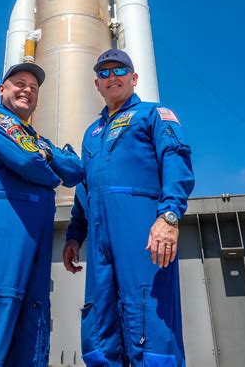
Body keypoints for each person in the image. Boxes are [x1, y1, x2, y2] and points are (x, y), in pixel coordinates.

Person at [62, 49, 195, 367]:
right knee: (100, 322)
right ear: (96, 84)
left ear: (134, 78)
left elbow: (176, 162)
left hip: (141, 234)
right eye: (104, 73)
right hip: (98, 244)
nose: (112, 77)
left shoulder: (153, 115)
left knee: (147, 315)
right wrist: (73, 236)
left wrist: (169, 216)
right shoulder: (91, 134)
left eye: (118, 70)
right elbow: (85, 187)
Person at [0, 62, 84, 367]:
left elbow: (76, 171)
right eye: (19, 83)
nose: (27, 90)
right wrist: (53, 172)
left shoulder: (38, 139)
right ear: (2, 90)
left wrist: (47, 154)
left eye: (34, 87)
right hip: (3, 226)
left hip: (34, 233)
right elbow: (27, 162)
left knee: (31, 322)